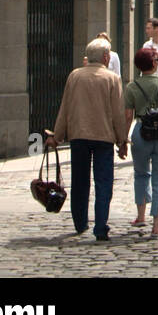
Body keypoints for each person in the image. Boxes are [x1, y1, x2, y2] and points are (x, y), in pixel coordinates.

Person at [45, 37, 128, 241]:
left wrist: (57, 135)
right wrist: (122, 140)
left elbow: (65, 107)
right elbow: (118, 113)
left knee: (80, 181)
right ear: (106, 57)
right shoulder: (111, 79)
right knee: (103, 182)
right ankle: (100, 226)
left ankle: (80, 222)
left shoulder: (75, 76)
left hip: (79, 136)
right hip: (103, 137)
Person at [124, 47, 158, 236]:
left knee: (140, 174)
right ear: (155, 63)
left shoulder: (132, 86)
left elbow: (127, 115)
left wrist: (124, 139)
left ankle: (141, 216)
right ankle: (157, 226)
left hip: (140, 132)